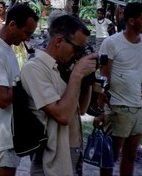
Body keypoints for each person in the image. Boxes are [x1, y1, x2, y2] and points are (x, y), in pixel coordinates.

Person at [20, 15, 97, 176]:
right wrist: (77, 74)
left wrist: (87, 80)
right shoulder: (35, 68)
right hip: (53, 156)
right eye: (77, 49)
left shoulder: (61, 68)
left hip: (73, 150)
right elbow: (62, 115)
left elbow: (80, 110)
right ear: (59, 41)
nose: (78, 54)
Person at [0, 4, 39, 176]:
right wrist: (29, 84)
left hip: (7, 134)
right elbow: (3, 99)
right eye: (26, 33)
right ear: (12, 25)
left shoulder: (6, 49)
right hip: (1, 137)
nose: (27, 38)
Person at [97, 2, 142, 176]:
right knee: (110, 157)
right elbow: (104, 75)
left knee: (131, 155)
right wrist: (102, 105)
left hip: (137, 105)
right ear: (132, 21)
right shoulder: (112, 43)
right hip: (117, 106)